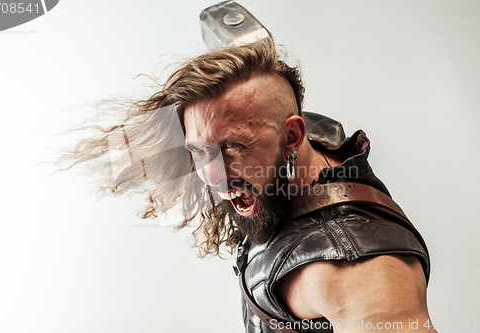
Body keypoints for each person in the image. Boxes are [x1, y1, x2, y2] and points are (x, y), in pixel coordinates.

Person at [62, 39, 435, 332]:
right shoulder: (303, 140)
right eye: (199, 151)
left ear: (292, 135)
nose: (211, 177)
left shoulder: (355, 268)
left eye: (232, 147)